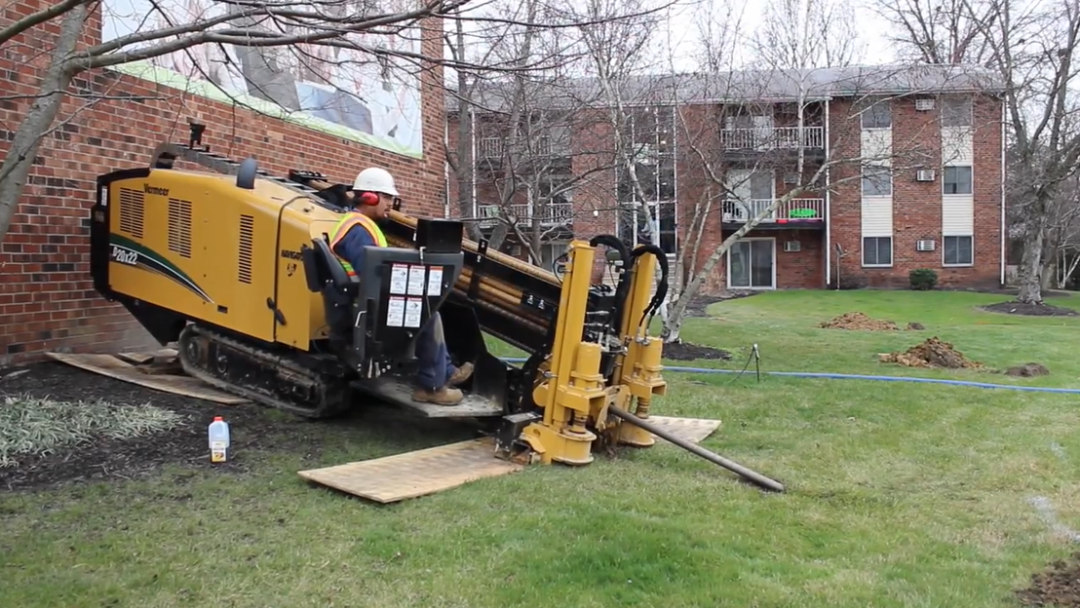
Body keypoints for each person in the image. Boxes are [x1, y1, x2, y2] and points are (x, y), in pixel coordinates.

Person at [328, 167, 474, 406]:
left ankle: (445, 372)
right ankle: (432, 387)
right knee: (427, 312)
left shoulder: (358, 225)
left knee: (427, 306)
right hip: (366, 308)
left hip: (363, 301)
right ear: (369, 197)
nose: (390, 204)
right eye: (386, 197)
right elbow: (372, 274)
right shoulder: (358, 231)